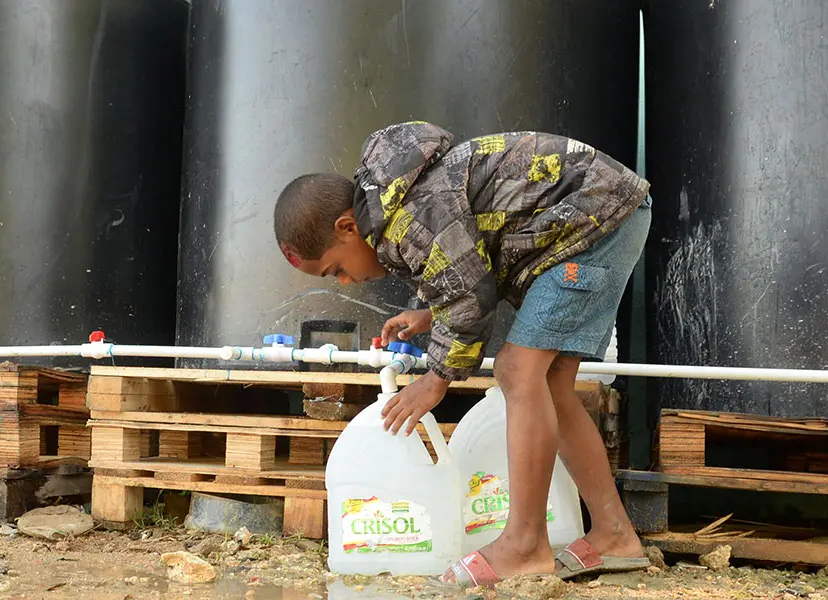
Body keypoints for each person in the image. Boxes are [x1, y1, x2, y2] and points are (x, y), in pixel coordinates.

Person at [272, 121, 652, 586]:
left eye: (336, 270)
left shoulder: (408, 218)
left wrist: (434, 381)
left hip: (595, 221)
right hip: (600, 217)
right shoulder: (401, 203)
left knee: (516, 372)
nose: (346, 283)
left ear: (347, 227)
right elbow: (469, 265)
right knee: (550, 383)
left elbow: (469, 293)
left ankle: (526, 543)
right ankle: (615, 534)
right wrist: (432, 315)